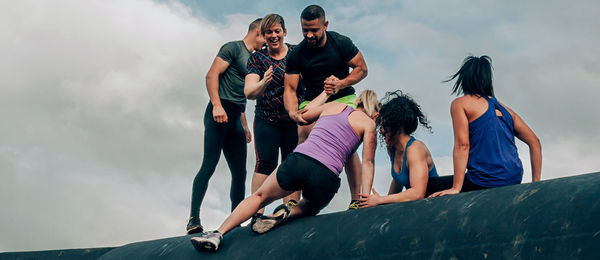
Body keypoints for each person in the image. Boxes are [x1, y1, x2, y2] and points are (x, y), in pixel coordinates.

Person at [191, 90, 379, 252]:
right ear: (375, 113)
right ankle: (288, 212)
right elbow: (368, 163)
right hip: (326, 175)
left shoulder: (333, 107)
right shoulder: (369, 125)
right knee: (309, 206)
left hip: (300, 160)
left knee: (259, 197)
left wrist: (325, 94)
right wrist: (364, 198)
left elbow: (302, 115)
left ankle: (217, 234)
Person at [283, 4, 369, 209]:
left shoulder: (340, 42)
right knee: (303, 134)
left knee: (347, 141)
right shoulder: (297, 54)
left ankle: (357, 199)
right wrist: (293, 112)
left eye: (314, 30)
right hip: (313, 100)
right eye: (305, 30)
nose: (310, 35)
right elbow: (289, 89)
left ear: (325, 25)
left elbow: (362, 69)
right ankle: (292, 201)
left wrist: (340, 83)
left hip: (343, 97)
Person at [186, 18, 266, 235]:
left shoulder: (255, 59)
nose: (267, 42)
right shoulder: (233, 48)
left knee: (240, 173)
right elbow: (211, 75)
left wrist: (245, 125)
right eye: (265, 37)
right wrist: (216, 105)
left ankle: (235, 222)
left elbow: (242, 95)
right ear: (258, 32)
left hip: (236, 117)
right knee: (209, 165)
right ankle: (193, 218)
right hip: (219, 113)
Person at [429, 56, 542, 198]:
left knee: (429, 186)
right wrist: (536, 183)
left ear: (465, 79)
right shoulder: (506, 110)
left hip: (485, 180)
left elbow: (462, 145)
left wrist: (456, 187)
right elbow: (535, 142)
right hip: (513, 178)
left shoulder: (460, 104)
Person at [244, 14, 301, 217]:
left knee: (292, 163)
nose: (274, 35)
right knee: (265, 163)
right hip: (266, 119)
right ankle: (257, 213)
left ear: (284, 32)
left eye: (277, 31)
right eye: (269, 32)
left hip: (293, 119)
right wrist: (263, 82)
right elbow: (249, 92)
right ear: (263, 35)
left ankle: (290, 211)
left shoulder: (296, 52)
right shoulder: (258, 58)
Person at [358, 91, 448, 208]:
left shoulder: (415, 149)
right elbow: (398, 180)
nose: (381, 131)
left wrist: (380, 200)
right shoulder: (392, 149)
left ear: (396, 126)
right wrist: (381, 206)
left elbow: (417, 193)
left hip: (433, 206)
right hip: (415, 208)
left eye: (384, 125)